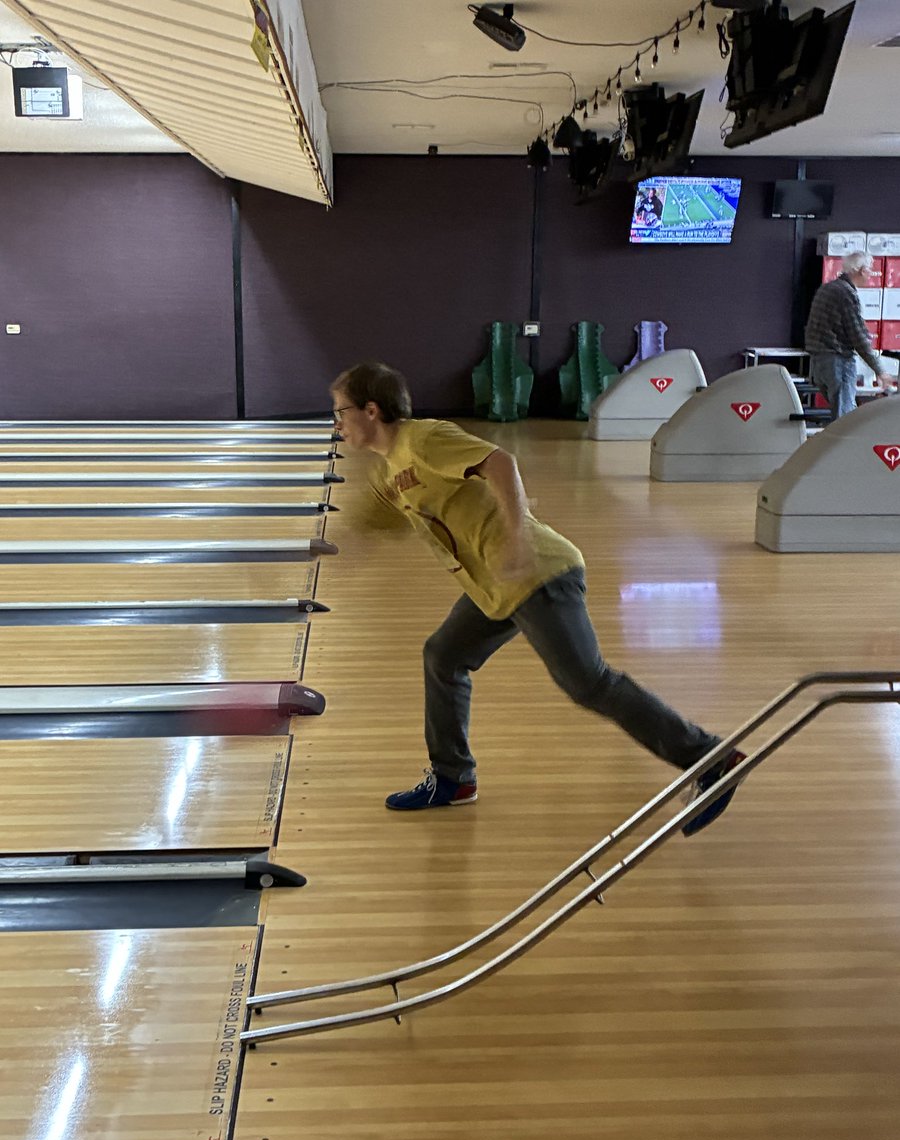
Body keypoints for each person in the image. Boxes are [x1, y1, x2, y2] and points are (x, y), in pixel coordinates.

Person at [331, 361, 744, 834]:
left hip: (540, 573)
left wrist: (517, 539)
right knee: (443, 656)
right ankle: (453, 779)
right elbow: (367, 524)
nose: (337, 423)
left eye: (340, 412)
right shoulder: (392, 469)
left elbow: (500, 462)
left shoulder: (422, 440)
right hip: (498, 588)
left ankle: (712, 758)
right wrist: (325, 555)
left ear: (371, 409)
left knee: (589, 683)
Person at [805, 251, 893, 422]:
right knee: (844, 420)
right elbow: (857, 336)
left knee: (839, 416)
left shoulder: (826, 288)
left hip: (819, 363)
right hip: (839, 362)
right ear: (861, 270)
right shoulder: (846, 294)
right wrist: (880, 371)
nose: (871, 275)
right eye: (870, 270)